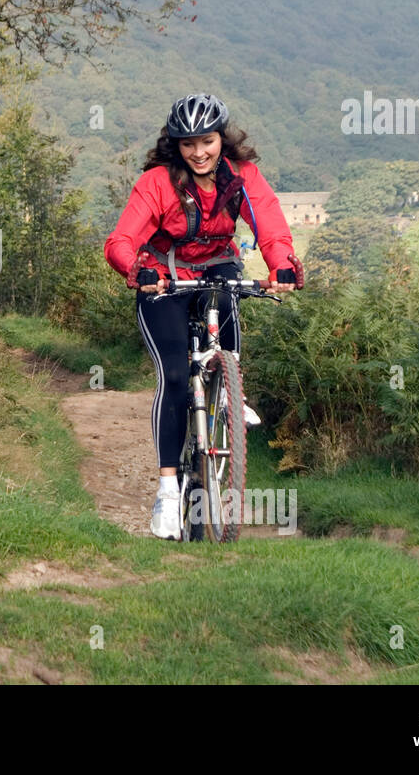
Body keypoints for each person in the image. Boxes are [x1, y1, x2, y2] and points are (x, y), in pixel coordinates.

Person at [103, 93, 305, 540]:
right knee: (175, 376)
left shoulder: (242, 177)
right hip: (165, 278)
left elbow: (269, 224)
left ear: (222, 139)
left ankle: (228, 391)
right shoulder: (157, 182)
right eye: (189, 143)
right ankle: (169, 491)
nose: (199, 153)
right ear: (175, 145)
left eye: (208, 142)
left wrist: (283, 264)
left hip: (216, 268)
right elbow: (121, 240)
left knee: (228, 328)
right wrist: (139, 270)